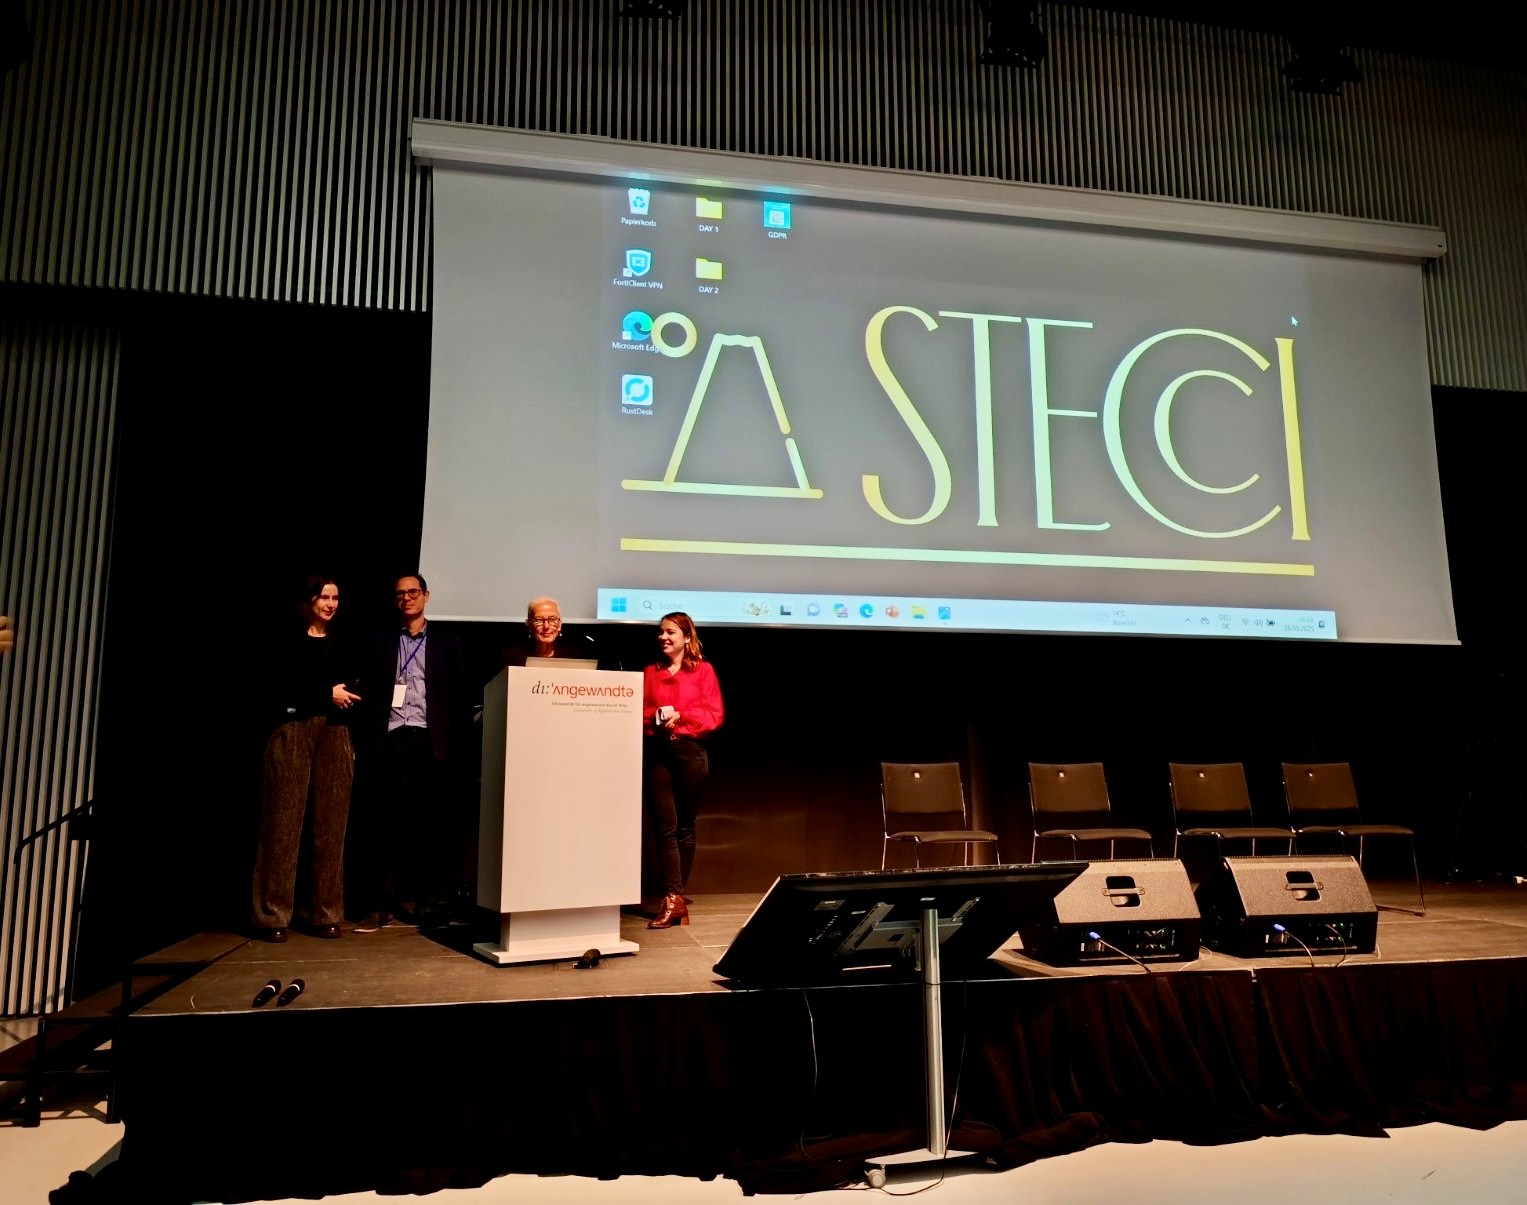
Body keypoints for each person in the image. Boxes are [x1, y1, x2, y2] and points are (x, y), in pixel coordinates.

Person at [351, 573, 472, 931]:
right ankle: (381, 905)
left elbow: (458, 698)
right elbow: (368, 693)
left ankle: (427, 904)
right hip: (389, 739)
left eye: (413, 592)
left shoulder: (447, 642)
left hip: (430, 742)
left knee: (429, 828)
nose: (407, 598)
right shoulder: (380, 641)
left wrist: (454, 746)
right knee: (385, 828)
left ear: (426, 596)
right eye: (400, 593)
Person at [251, 574, 361, 942]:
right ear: (308, 601)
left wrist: (342, 694)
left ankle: (324, 912)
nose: (330, 604)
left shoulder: (344, 642)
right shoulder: (286, 640)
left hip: (335, 731)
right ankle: (271, 914)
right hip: (293, 729)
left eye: (335, 598)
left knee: (330, 827)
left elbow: (356, 682)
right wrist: (324, 693)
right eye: (324, 597)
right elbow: (278, 685)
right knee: (282, 824)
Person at [641, 612, 724, 930]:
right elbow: (639, 710)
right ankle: (674, 898)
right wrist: (657, 718)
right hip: (659, 753)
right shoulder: (651, 672)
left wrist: (682, 716)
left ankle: (676, 898)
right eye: (661, 632)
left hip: (690, 753)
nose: (663, 637)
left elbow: (714, 714)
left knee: (686, 828)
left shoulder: (703, 670)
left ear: (687, 638)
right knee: (664, 828)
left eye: (671, 632)